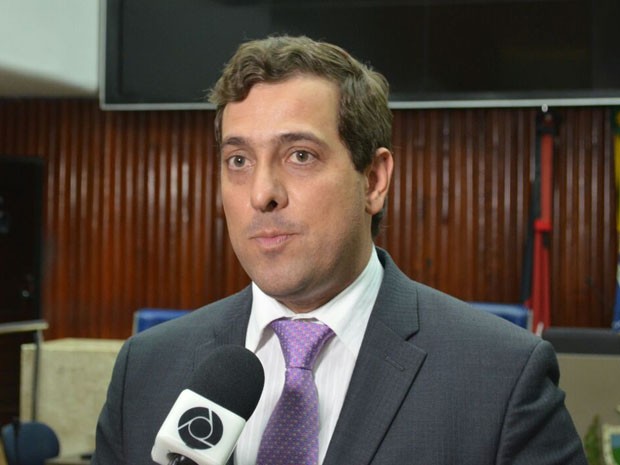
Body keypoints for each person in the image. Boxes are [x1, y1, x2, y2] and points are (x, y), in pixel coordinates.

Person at [91, 35, 587, 465]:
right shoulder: (146, 371)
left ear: (373, 180)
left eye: (299, 155)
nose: (262, 194)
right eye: (238, 160)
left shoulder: (501, 378)